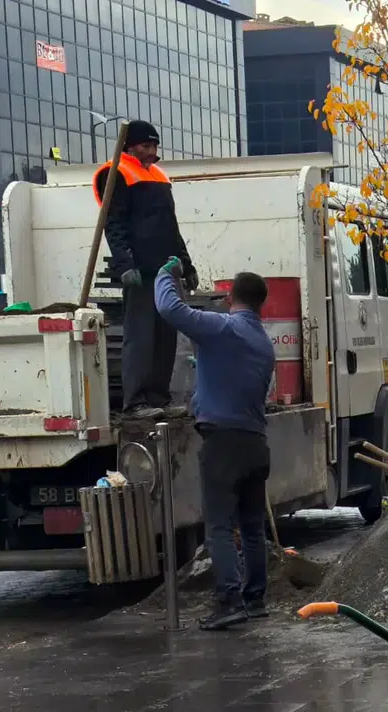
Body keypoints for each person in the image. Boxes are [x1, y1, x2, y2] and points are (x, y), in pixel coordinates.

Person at [154, 261, 276, 631]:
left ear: (230, 298)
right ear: (261, 305)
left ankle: (229, 601)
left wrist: (165, 276)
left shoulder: (224, 328)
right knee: (253, 528)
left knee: (220, 527)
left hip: (223, 443)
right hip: (256, 444)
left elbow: (170, 309)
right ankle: (255, 599)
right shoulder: (264, 344)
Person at [93, 119, 197, 418]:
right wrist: (125, 264)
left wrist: (186, 265)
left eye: (154, 146)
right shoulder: (117, 173)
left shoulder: (159, 177)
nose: (152, 151)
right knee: (140, 337)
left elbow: (171, 227)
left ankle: (158, 399)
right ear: (130, 145)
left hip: (167, 268)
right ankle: (135, 403)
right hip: (140, 272)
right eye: (146, 145)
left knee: (166, 337)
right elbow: (113, 224)